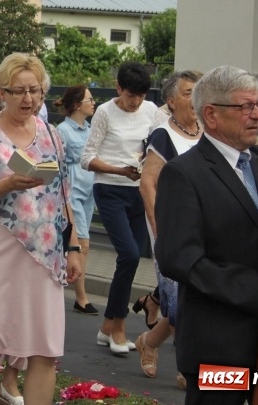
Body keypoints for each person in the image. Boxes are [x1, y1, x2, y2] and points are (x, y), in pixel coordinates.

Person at [155, 65, 258, 404]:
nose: (257, 115)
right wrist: (252, 290)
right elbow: (178, 257)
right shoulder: (184, 174)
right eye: (245, 107)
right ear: (212, 115)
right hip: (220, 342)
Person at [0, 53, 82, 405]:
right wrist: (8, 185)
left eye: (35, 91)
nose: (28, 99)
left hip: (45, 256)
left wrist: (75, 247)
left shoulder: (52, 134)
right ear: (2, 93)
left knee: (43, 352)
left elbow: (62, 193)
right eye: (18, 91)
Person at [80, 61, 157, 354]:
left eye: (141, 95)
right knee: (129, 254)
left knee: (133, 257)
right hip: (110, 190)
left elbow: (158, 147)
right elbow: (87, 158)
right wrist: (119, 170)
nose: (136, 101)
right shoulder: (104, 112)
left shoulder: (151, 111)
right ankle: (119, 328)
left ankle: (106, 327)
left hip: (139, 191)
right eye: (130, 95)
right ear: (119, 88)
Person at [137, 70, 202, 384]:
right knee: (177, 304)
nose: (195, 98)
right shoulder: (164, 134)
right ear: (172, 101)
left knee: (192, 300)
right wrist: (159, 231)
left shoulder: (207, 132)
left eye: (198, 91)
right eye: (188, 92)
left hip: (203, 231)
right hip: (171, 231)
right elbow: (147, 184)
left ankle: (148, 342)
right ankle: (190, 366)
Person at [54, 85, 98, 315]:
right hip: (72, 190)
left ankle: (72, 288)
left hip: (88, 191)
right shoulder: (63, 130)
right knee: (82, 244)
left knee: (82, 245)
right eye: (89, 99)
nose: (93, 103)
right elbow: (60, 164)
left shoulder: (90, 129)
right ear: (77, 104)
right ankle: (81, 297)